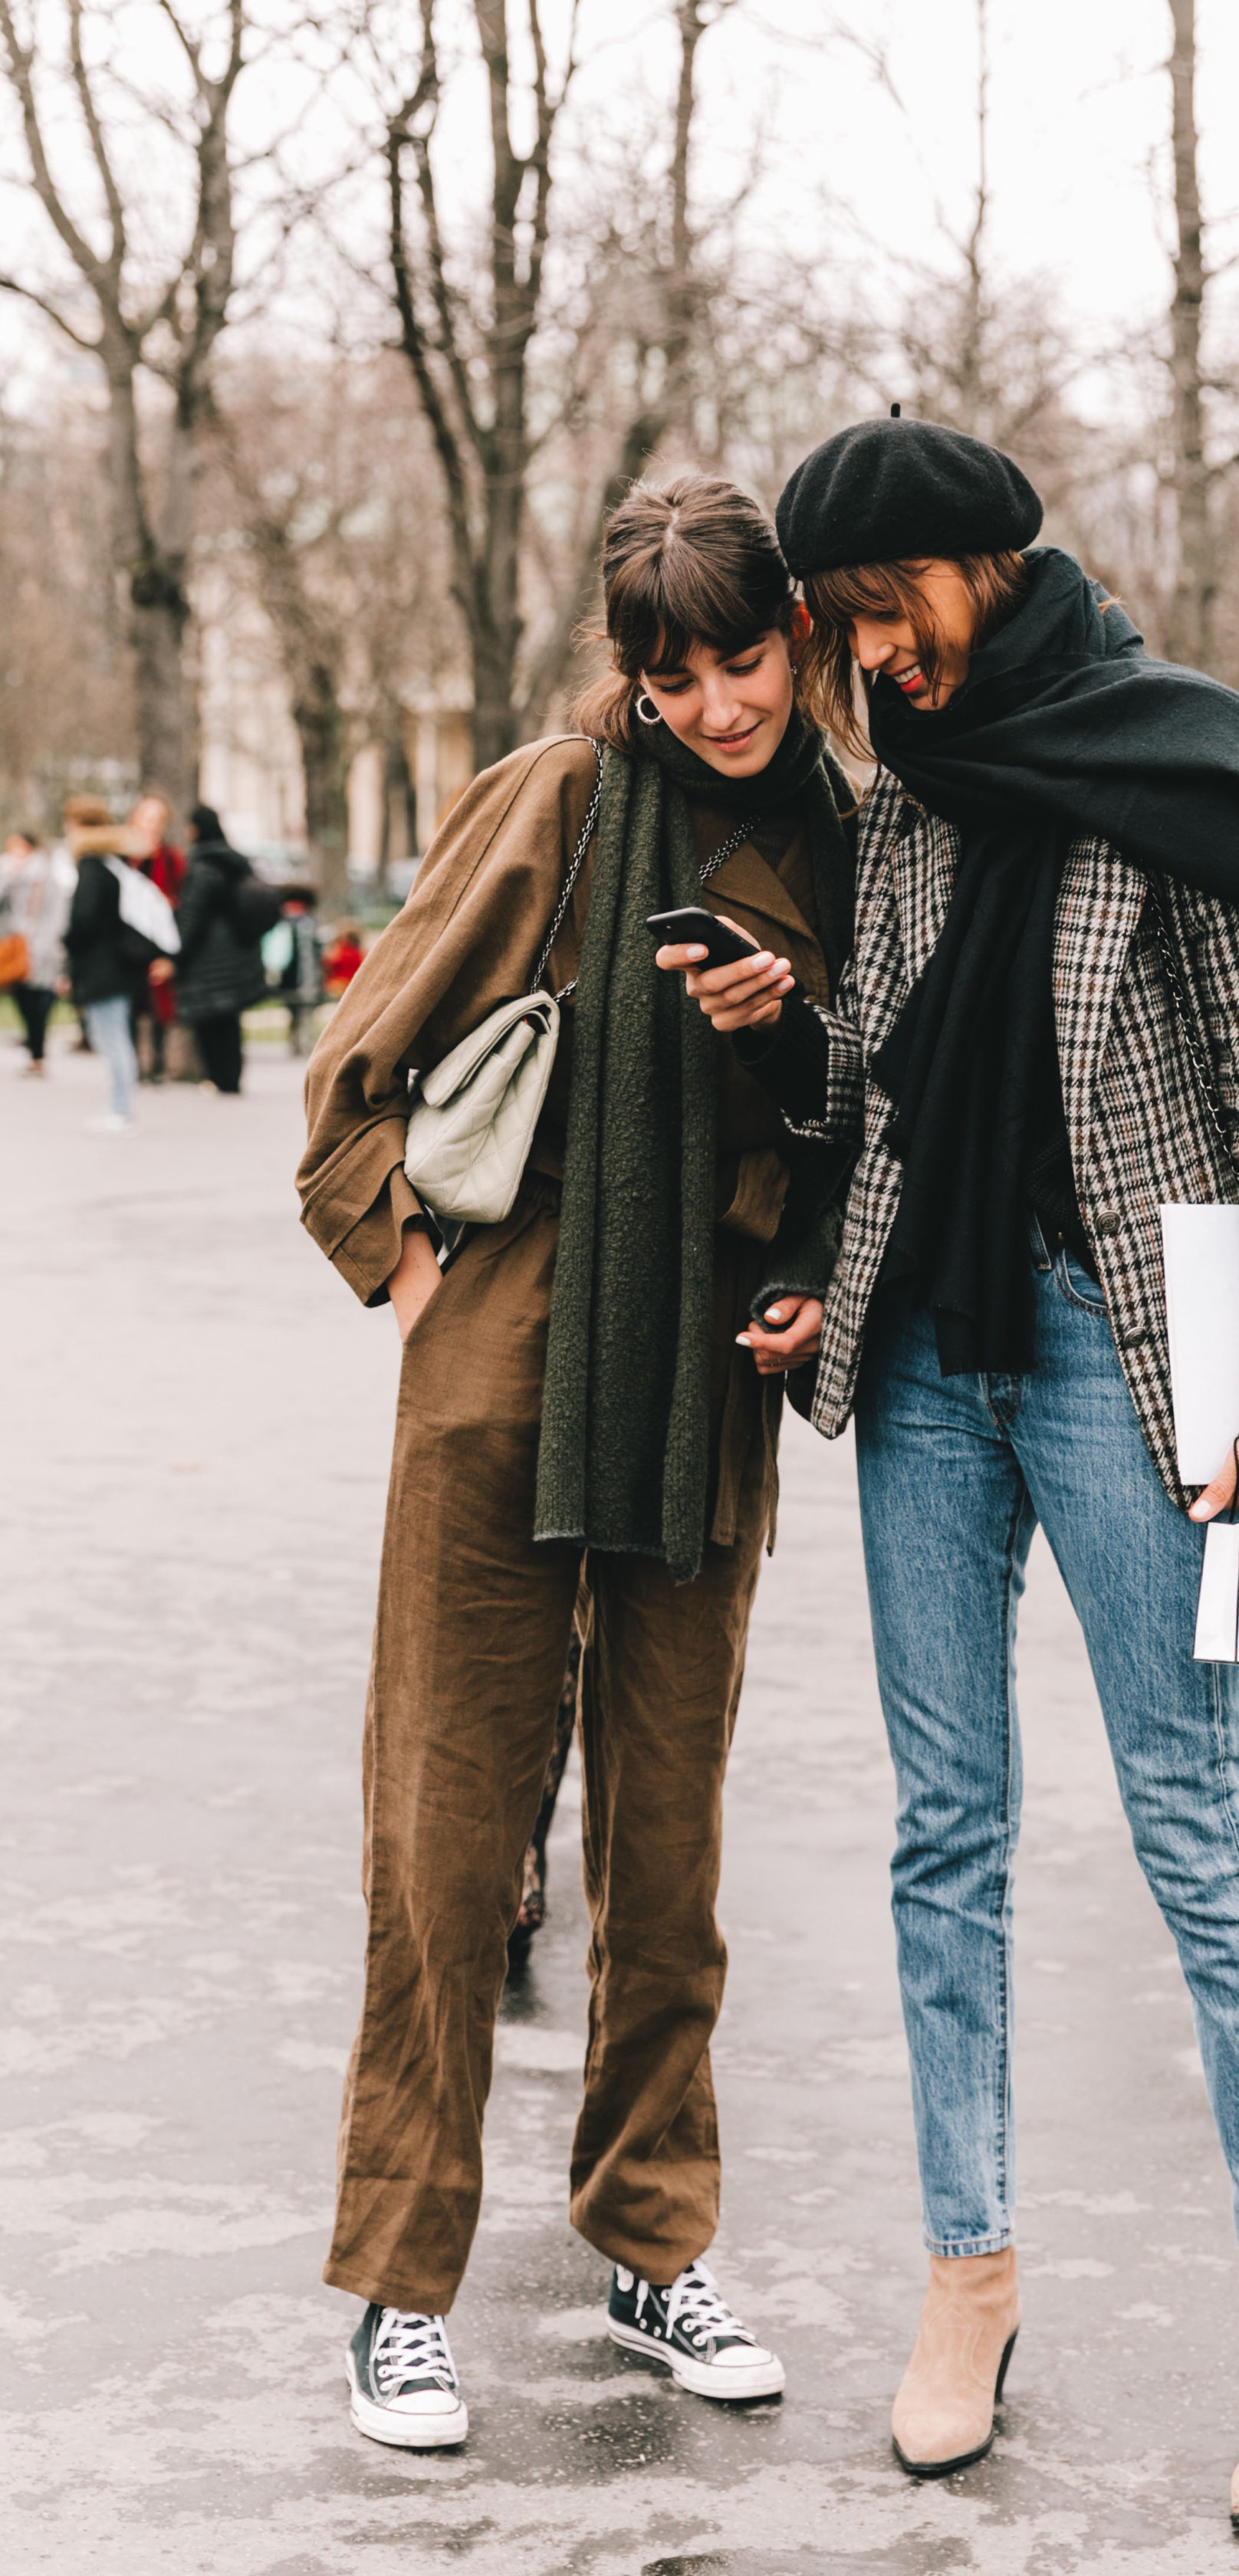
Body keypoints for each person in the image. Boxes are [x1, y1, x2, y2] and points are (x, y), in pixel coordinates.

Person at [666, 417, 1239, 2527]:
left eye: (892, 611)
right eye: (846, 627)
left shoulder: (1180, 773)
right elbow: (892, 1080)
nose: (870, 655)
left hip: (1122, 1357)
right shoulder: (909, 798)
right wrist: (797, 1069)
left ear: (985, 566)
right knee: (944, 1829)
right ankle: (964, 2282)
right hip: (925, 1365)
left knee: (1196, 1831)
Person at [296, 474, 857, 2452]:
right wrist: (412, 1261)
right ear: (630, 670)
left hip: (702, 1393)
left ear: (803, 636)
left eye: (749, 656)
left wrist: (799, 1271)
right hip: (504, 1380)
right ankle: (399, 2289)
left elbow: (847, 1132)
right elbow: (354, 1077)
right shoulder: (553, 796)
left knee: (670, 1857)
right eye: (678, 670)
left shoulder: (842, 836)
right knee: (447, 1842)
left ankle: (650, 2242)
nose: (720, 703)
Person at [61, 797, 169, 1131]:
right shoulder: (113, 863)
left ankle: (120, 1109)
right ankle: (121, 1107)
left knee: (113, 1037)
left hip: (102, 966)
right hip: (118, 965)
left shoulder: (93, 866)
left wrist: (69, 944)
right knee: (114, 1034)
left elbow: (84, 920)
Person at [174, 804, 274, 1092]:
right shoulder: (236, 862)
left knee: (210, 1020)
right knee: (229, 1021)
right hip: (238, 950)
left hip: (210, 954)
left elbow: (193, 913)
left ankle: (219, 1078)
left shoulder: (203, 867)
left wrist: (178, 950)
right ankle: (231, 1076)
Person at [127, 792, 187, 1083]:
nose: (151, 824)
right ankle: (131, 1064)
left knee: (157, 1003)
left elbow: (180, 902)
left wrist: (169, 954)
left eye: (157, 819)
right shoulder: (124, 856)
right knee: (129, 1003)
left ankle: (158, 1065)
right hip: (127, 942)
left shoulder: (171, 858)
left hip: (159, 940)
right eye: (146, 817)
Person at [2, 829, 69, 1075]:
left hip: (41, 948)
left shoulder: (46, 875)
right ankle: (34, 1050)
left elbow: (57, 912)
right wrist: (8, 877)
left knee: (38, 1000)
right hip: (13, 947)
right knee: (20, 998)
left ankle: (37, 1053)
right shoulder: (7, 874)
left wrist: (50, 942)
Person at [266, 884, 326, 1054]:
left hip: (307, 977)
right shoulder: (280, 926)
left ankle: (304, 1042)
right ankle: (295, 1041)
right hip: (288, 977)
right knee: (293, 1010)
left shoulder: (311, 925)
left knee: (306, 1011)